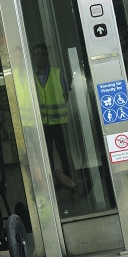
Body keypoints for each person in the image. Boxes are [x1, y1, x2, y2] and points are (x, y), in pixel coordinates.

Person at [31, 43, 84, 195]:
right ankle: (53, 185)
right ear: (33, 58)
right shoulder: (29, 76)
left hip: (59, 122)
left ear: (47, 57)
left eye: (43, 54)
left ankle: (70, 183)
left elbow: (66, 95)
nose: (40, 56)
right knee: (46, 157)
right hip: (41, 124)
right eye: (37, 54)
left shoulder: (57, 73)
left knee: (64, 154)